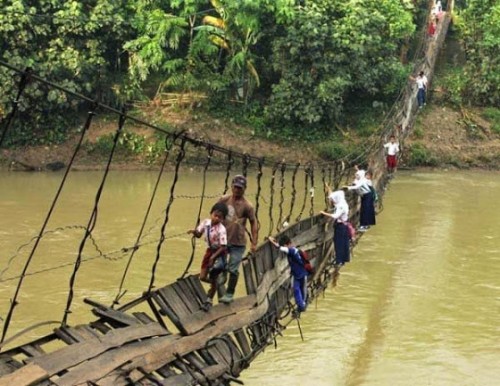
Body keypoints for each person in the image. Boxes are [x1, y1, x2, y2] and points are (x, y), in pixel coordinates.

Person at [218, 175, 258, 304]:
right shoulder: (224, 200)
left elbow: (253, 223)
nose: (237, 190)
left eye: (240, 188)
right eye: (235, 187)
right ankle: (222, 276)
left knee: (233, 269)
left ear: (244, 189)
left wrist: (253, 243)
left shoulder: (247, 206)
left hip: (238, 242)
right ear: (231, 186)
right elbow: (215, 214)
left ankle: (229, 293)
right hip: (223, 240)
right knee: (218, 266)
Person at [187, 202, 229, 310]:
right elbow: (199, 234)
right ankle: (216, 284)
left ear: (223, 219)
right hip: (210, 251)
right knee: (202, 277)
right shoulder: (206, 223)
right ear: (211, 214)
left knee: (214, 273)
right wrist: (194, 232)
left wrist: (213, 258)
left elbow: (223, 247)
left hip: (219, 253)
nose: (216, 218)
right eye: (215, 215)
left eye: (220, 217)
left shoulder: (222, 229)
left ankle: (209, 300)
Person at [268, 235, 308, 314]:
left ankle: (302, 305)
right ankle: (301, 305)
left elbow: (279, 247)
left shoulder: (292, 250)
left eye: (285, 246)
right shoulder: (293, 250)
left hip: (302, 274)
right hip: (297, 274)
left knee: (302, 289)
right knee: (297, 289)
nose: (285, 248)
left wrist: (271, 240)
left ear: (288, 244)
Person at [320, 189, 350, 266]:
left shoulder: (341, 206)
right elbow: (335, 203)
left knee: (339, 243)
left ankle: (339, 261)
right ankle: (342, 260)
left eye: (333, 199)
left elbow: (335, 216)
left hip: (341, 227)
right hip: (344, 225)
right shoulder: (342, 202)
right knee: (343, 243)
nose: (332, 201)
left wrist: (324, 213)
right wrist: (329, 190)